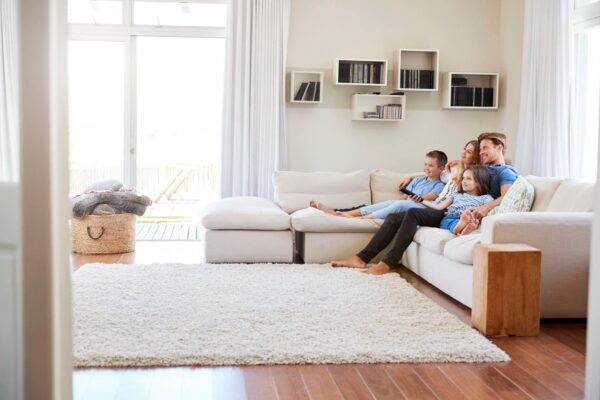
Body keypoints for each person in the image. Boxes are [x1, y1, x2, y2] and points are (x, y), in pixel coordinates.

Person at [331, 132, 518, 275]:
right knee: (396, 216)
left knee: (411, 212)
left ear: (499, 148)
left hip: (452, 211)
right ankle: (361, 258)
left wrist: (483, 208)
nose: (482, 152)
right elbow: (440, 173)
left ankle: (388, 263)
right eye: (481, 149)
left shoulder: (504, 172)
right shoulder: (482, 168)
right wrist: (457, 164)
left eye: (484, 148)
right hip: (447, 206)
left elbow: (506, 197)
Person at [309, 151, 447, 219]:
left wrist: (407, 200)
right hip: (407, 204)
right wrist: (398, 200)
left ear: (441, 168)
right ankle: (343, 214)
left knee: (399, 205)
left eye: (431, 166)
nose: (426, 168)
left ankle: (363, 219)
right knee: (392, 203)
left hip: (419, 209)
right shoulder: (418, 180)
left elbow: (425, 199)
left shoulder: (440, 185)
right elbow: (404, 197)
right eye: (425, 164)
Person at [420, 165, 493, 235]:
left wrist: (473, 210)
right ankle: (462, 228)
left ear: (479, 182)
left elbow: (488, 209)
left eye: (468, 178)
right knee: (445, 222)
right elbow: (439, 206)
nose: (463, 181)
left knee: (468, 221)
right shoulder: (456, 194)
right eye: (463, 178)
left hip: (468, 218)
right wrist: (421, 200)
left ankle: (462, 227)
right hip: (450, 217)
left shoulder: (485, 198)